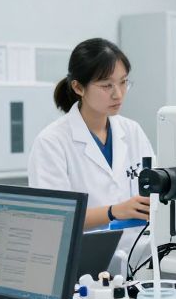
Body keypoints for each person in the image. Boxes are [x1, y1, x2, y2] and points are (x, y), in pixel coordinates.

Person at [28, 38, 154, 272]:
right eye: (106, 85)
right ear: (78, 87)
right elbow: (54, 220)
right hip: (80, 267)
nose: (118, 94)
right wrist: (113, 212)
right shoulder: (52, 142)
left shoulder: (132, 131)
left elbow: (157, 191)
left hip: (138, 258)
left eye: (124, 82)